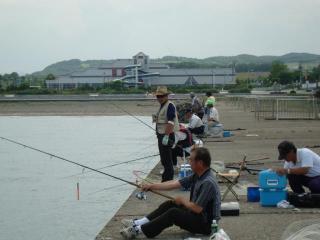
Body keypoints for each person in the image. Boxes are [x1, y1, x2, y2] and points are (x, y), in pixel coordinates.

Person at [120, 147, 221, 239]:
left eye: (191, 160)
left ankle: (138, 230)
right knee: (170, 204)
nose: (189, 162)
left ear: (199, 163)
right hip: (198, 216)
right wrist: (151, 186)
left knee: (173, 213)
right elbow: (174, 184)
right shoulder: (198, 175)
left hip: (206, 225)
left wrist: (182, 200)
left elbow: (197, 208)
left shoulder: (208, 182)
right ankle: (137, 223)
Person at [153, 86, 179, 182]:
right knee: (164, 158)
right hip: (161, 135)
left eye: (161, 96)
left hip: (166, 135)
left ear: (166, 96)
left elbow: (171, 122)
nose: (159, 98)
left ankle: (168, 180)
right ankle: (166, 179)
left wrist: (166, 136)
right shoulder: (162, 105)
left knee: (167, 159)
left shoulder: (170, 105)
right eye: (158, 96)